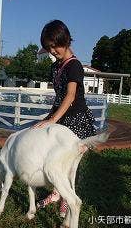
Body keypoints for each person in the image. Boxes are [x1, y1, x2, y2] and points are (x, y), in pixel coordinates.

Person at [33, 20, 96, 217]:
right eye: (48, 47)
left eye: (55, 45)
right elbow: (59, 97)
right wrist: (49, 118)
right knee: (53, 160)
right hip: (60, 117)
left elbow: (70, 96)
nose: (52, 51)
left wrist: (52, 121)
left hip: (77, 121)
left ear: (66, 40)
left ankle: (67, 198)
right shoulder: (55, 67)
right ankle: (56, 193)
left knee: (68, 165)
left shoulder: (74, 66)